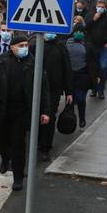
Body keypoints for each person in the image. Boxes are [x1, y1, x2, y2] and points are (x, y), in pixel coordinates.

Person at [0, 32, 51, 190]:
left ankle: (18, 176)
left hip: (22, 111)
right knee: (3, 139)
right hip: (3, 109)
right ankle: (5, 157)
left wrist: (45, 111)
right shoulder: (2, 61)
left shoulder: (33, 63)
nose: (24, 48)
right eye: (21, 46)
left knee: (18, 144)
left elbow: (43, 88)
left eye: (26, 46)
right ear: (12, 47)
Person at [34, 32, 73, 162]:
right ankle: (37, 142)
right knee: (36, 116)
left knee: (49, 117)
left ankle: (45, 147)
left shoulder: (60, 48)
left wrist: (69, 91)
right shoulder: (35, 45)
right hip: (35, 88)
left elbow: (67, 69)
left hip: (53, 89)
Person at [65, 21, 96, 128]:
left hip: (83, 76)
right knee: (70, 99)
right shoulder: (66, 44)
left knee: (80, 98)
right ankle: (70, 120)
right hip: (69, 76)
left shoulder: (88, 45)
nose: (78, 33)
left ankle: (82, 118)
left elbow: (93, 62)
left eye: (80, 31)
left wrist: (97, 76)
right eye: (76, 31)